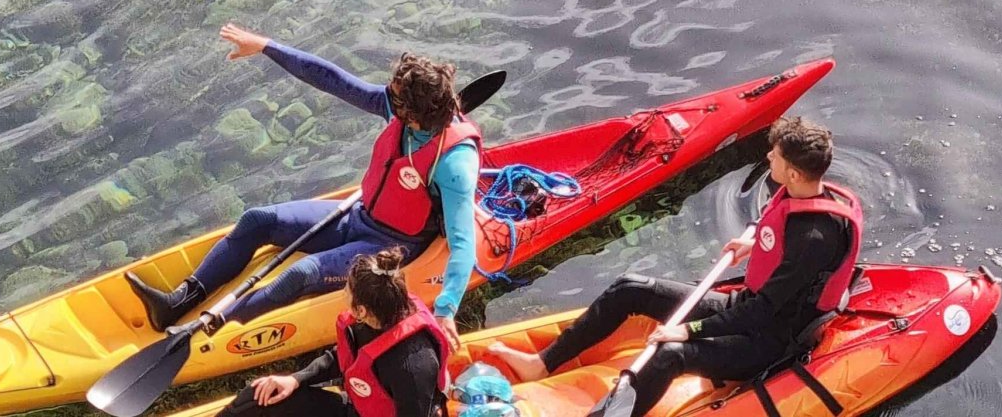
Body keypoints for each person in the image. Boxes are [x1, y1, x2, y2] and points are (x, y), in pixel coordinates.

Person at [124, 23, 481, 344]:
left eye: (396, 96)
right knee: (257, 219)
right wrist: (265, 45)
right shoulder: (401, 107)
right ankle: (179, 302)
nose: (386, 96)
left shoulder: (454, 164)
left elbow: (463, 243)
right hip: (358, 216)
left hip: (394, 244)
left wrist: (446, 309)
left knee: (301, 273)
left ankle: (209, 327)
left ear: (414, 113)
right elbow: (334, 80)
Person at [488, 116, 862, 415]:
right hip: (752, 307)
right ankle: (542, 362)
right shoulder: (798, 192)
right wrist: (754, 240)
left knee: (671, 355)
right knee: (630, 287)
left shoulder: (813, 239)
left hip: (772, 338)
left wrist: (690, 330)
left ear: (794, 173)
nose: (768, 158)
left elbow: (761, 313)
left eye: (775, 156)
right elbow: (777, 236)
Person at [217, 248, 450, 417]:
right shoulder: (374, 317)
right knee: (257, 396)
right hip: (357, 408)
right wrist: (294, 379)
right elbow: (342, 356)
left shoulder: (413, 364)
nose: (343, 293)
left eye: (347, 289)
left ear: (361, 310)